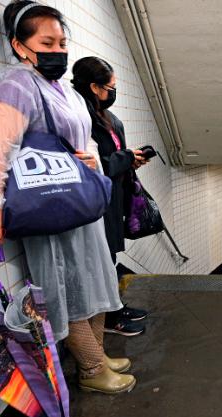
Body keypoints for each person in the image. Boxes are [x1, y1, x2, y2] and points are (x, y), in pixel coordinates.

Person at [0, 0, 135, 394]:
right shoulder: (17, 85)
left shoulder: (59, 89)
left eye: (61, 42)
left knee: (95, 281)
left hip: (79, 201)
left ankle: (98, 355)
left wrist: (90, 155)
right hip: (50, 206)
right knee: (70, 287)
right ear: (20, 46)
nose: (58, 51)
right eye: (47, 42)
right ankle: (91, 370)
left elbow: (79, 137)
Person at [71, 57, 150, 337]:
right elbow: (92, 162)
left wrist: (131, 160)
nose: (113, 92)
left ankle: (115, 308)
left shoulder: (105, 116)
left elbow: (109, 158)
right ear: (94, 86)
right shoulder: (81, 117)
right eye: (110, 87)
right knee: (101, 259)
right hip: (96, 200)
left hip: (114, 195)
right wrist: (125, 158)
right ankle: (109, 319)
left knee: (111, 255)